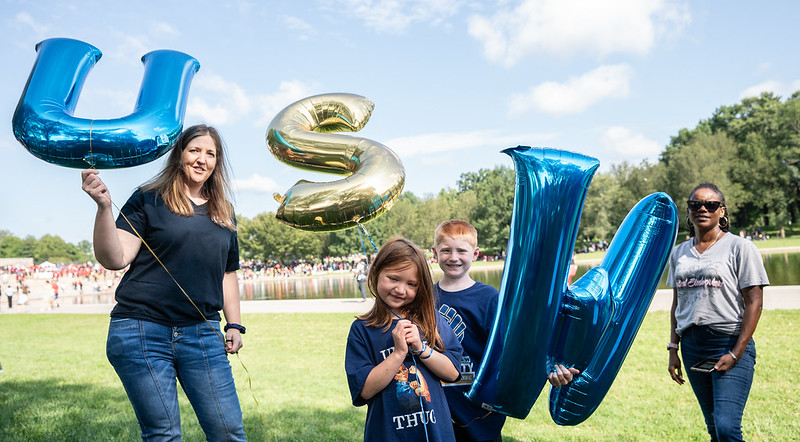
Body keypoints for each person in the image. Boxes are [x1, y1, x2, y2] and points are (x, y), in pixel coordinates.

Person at [81, 124, 247, 441]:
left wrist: (234, 325)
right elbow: (115, 258)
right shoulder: (147, 199)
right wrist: (103, 207)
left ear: (217, 162)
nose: (202, 159)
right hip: (141, 331)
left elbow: (228, 273)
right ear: (179, 154)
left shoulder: (224, 213)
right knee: (163, 433)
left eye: (210, 153)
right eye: (194, 150)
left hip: (203, 333)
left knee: (228, 431)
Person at [432, 220, 577, 442]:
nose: (453, 257)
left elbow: (514, 351)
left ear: (475, 253)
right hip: (434, 408)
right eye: (446, 250)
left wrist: (548, 367)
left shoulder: (490, 299)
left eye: (461, 250)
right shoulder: (424, 297)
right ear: (435, 253)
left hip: (478, 413)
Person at [667, 183, 769, 441]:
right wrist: (673, 349)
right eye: (695, 205)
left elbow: (754, 302)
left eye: (710, 205)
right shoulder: (679, 253)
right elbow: (678, 303)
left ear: (722, 212)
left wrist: (735, 353)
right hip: (692, 348)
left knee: (726, 427)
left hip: (728, 342)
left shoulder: (740, 248)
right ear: (688, 212)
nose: (702, 209)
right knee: (714, 427)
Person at [345, 237, 463, 441]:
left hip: (437, 434)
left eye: (411, 284)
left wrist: (421, 348)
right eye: (393, 278)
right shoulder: (362, 329)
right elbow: (364, 390)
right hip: (387, 435)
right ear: (375, 273)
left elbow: (452, 373)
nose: (400, 289)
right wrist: (399, 353)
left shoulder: (431, 319)